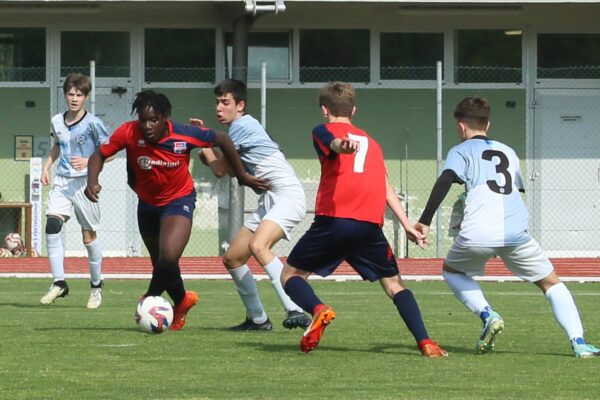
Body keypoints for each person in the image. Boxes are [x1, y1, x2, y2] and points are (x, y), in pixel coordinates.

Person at [415, 96, 600, 358]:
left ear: (461, 126)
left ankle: (488, 314)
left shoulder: (459, 150)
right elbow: (512, 190)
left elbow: (446, 178)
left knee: (452, 271)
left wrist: (424, 220)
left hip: (478, 232)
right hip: (515, 233)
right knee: (551, 283)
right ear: (487, 124)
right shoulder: (508, 152)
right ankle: (579, 342)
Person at [279, 81, 448, 357]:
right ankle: (426, 342)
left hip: (335, 221)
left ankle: (319, 310)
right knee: (394, 285)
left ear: (324, 110)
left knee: (291, 275)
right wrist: (407, 224)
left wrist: (339, 147)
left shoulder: (322, 129)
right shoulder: (373, 143)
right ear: (354, 109)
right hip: (370, 226)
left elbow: (332, 143)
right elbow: (384, 185)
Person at [85, 90, 268, 331]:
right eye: (143, 120)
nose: (148, 125)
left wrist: (243, 175)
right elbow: (98, 155)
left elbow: (222, 139)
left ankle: (149, 298)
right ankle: (182, 300)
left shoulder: (184, 133)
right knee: (161, 263)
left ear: (165, 118)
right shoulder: (129, 131)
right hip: (147, 204)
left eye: (154, 120)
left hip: (178, 200)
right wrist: (92, 181)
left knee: (168, 257)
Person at [190, 79, 311, 331]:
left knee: (258, 245)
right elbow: (231, 171)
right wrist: (208, 150)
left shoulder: (243, 126)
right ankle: (258, 320)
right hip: (270, 200)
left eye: (225, 103)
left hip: (288, 196)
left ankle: (295, 308)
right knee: (233, 258)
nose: (219, 108)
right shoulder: (240, 129)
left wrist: (206, 148)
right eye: (217, 103)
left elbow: (220, 169)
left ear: (240, 105)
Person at [40, 73, 110, 309]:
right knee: (52, 225)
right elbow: (57, 147)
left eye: (79, 95)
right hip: (62, 182)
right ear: (65, 95)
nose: (74, 98)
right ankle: (59, 282)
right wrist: (46, 166)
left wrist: (90, 160)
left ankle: (96, 286)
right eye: (70, 94)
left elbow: (108, 152)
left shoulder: (93, 123)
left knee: (88, 237)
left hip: (84, 184)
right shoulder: (57, 121)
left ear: (86, 97)